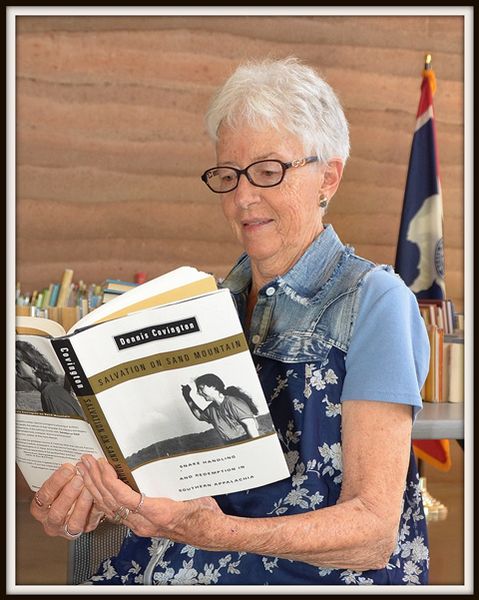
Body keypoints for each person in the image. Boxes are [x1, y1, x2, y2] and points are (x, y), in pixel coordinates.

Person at [30, 57, 431, 586]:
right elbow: (177, 484)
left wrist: (211, 532)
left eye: (268, 171)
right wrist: (102, 498)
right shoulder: (208, 303)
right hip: (166, 567)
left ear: (328, 176)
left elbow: (371, 533)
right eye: (228, 175)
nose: (243, 198)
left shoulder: (377, 301)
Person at [182, 373, 260, 442]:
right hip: (230, 445)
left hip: (246, 441)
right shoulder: (211, 409)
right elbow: (199, 415)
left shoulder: (233, 403)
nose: (198, 392)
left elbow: (251, 427)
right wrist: (187, 396)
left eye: (201, 388)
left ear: (213, 386)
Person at [16, 341, 84, 418]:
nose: (15, 366)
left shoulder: (51, 393)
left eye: (17, 361)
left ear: (34, 366)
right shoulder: (49, 390)